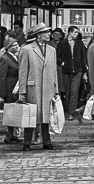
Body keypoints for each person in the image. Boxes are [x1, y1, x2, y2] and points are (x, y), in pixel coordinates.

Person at [14, 23, 59, 151]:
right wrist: (22, 92)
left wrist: (56, 89)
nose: (49, 34)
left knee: (46, 116)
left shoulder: (52, 50)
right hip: (33, 88)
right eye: (46, 32)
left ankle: (47, 141)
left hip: (48, 88)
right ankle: (27, 142)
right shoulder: (27, 49)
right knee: (31, 115)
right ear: (39, 35)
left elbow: (54, 71)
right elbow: (22, 72)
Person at [57, 26, 87, 121]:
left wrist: (85, 72)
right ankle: (69, 110)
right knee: (67, 92)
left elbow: (83, 58)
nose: (77, 34)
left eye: (77, 33)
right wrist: (61, 63)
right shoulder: (62, 43)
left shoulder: (80, 43)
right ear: (69, 33)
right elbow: (57, 56)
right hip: (66, 70)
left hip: (78, 70)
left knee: (74, 92)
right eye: (75, 32)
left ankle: (72, 112)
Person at [0, 37, 21, 144]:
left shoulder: (15, 57)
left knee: (14, 111)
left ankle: (13, 134)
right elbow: (1, 77)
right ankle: (9, 135)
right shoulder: (4, 58)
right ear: (8, 47)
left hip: (15, 88)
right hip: (9, 89)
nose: (17, 46)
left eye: (17, 44)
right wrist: (2, 94)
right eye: (14, 45)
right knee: (10, 112)